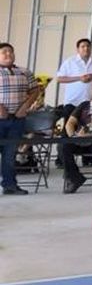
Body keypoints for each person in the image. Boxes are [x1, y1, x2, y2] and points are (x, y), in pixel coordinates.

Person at [0, 42, 39, 195]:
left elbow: (35, 90)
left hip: (17, 119)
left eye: (10, 51)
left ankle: (10, 185)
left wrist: (25, 107)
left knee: (10, 154)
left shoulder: (24, 72)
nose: (8, 54)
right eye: (4, 52)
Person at [61, 99, 92, 194]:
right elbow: (70, 123)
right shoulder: (85, 105)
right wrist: (74, 137)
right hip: (79, 139)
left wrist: (89, 135)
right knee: (64, 146)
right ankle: (75, 178)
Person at [56, 38, 92, 111]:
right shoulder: (70, 61)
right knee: (68, 118)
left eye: (88, 46)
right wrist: (79, 78)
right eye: (83, 46)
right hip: (72, 102)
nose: (86, 48)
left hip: (89, 102)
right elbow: (59, 79)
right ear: (77, 49)